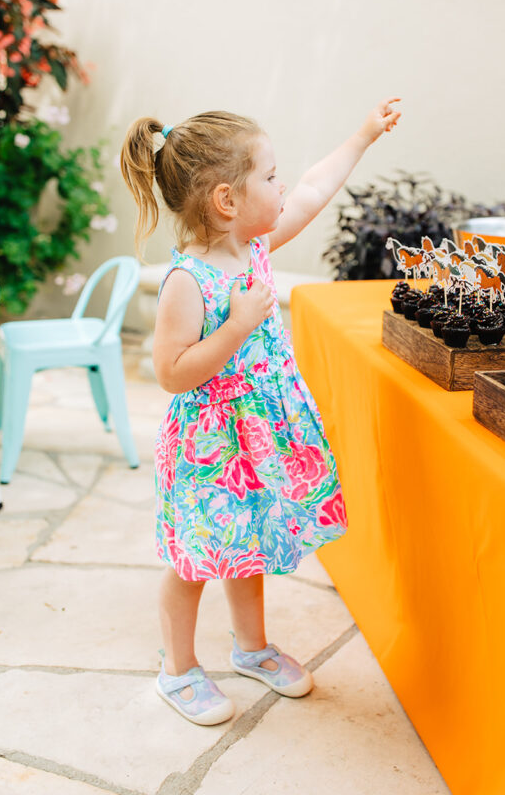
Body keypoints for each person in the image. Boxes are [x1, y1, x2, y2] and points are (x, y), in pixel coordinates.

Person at [120, 97, 402, 726]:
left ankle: (250, 649)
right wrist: (239, 326)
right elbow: (172, 372)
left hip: (260, 440)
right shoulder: (187, 281)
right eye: (268, 177)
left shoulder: (256, 246)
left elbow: (311, 191)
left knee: (248, 544)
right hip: (209, 451)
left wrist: (362, 134)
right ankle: (178, 669)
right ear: (227, 200)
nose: (282, 186)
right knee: (194, 558)